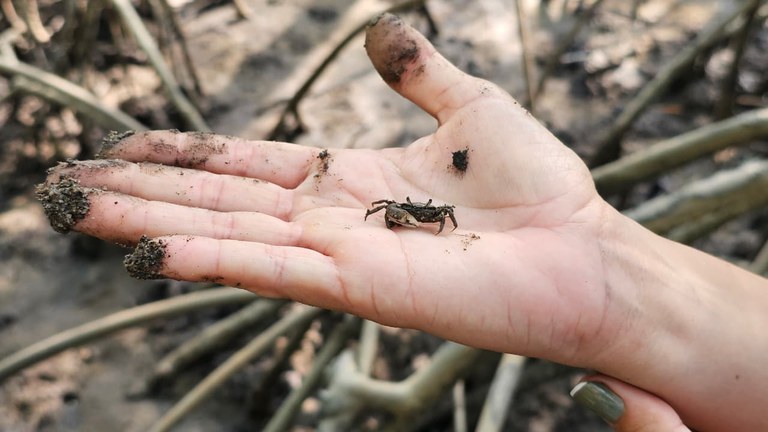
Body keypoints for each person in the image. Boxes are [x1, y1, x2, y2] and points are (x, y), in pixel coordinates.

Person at [38, 13, 767, 431]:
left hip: (444, 226)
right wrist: (609, 271)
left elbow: (436, 212)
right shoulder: (396, 209)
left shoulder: (438, 210)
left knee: (430, 211)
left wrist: (461, 226)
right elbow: (390, 210)